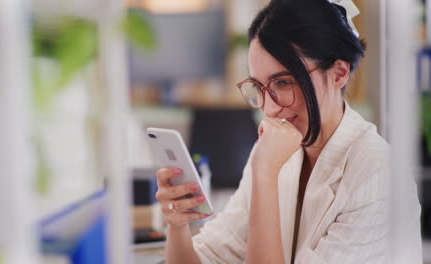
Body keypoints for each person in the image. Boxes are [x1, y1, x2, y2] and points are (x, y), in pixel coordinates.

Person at [154, 0, 422, 263]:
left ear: (339, 73)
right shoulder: (279, 152)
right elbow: (211, 255)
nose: (268, 109)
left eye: (283, 82)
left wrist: (265, 175)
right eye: (258, 87)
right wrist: (177, 226)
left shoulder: (378, 173)